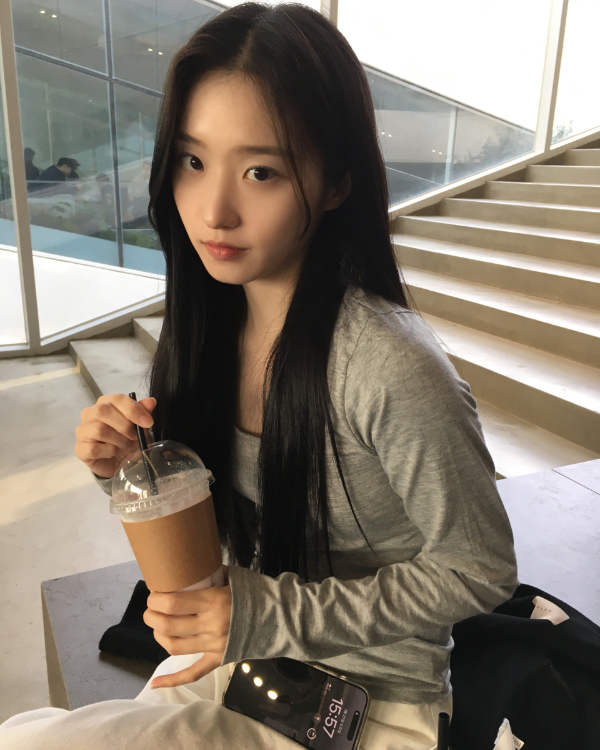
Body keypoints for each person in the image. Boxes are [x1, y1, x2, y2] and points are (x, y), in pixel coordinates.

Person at [0, 3, 518, 749]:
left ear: (335, 183)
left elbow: (480, 568)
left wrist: (260, 614)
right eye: (192, 161)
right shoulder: (213, 328)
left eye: (261, 172)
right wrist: (131, 474)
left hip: (367, 705)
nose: (214, 210)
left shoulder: (387, 365)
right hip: (245, 662)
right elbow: (217, 547)